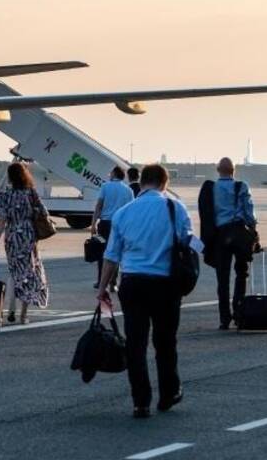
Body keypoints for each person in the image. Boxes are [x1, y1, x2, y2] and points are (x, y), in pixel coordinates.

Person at [97, 164, 197, 419]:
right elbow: (187, 242)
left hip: (133, 283)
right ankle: (169, 393)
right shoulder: (176, 208)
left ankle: (140, 402)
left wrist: (103, 288)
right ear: (165, 183)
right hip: (165, 283)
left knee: (136, 345)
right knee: (165, 342)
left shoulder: (123, 213)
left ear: (141, 183)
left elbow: (111, 255)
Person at [200, 157, 257, 330]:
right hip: (238, 232)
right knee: (242, 273)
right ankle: (239, 311)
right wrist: (253, 229)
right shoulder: (241, 186)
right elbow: (248, 212)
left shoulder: (211, 188)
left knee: (222, 279)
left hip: (220, 236)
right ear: (234, 170)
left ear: (218, 170)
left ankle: (224, 318)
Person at [0, 162, 50, 324]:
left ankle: (11, 307)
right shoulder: (31, 192)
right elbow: (44, 212)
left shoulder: (6, 194)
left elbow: (2, 220)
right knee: (28, 273)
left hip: (12, 236)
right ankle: (22, 314)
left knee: (14, 271)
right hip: (28, 236)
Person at [90, 166, 135, 289]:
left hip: (105, 224)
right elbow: (131, 210)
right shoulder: (128, 190)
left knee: (103, 253)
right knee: (118, 253)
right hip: (121, 225)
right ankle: (113, 282)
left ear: (114, 174)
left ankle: (101, 280)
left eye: (110, 173)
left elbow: (99, 206)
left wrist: (93, 223)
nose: (109, 175)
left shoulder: (105, 186)